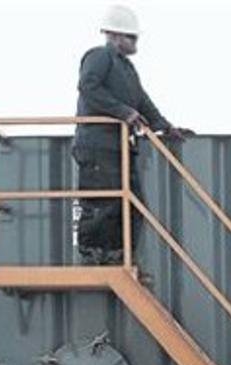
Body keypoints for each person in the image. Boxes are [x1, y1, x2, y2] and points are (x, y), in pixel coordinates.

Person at [72, 4, 191, 264]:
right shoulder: (99, 56)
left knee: (130, 204)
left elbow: (142, 102)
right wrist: (123, 112)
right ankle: (93, 254)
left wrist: (165, 126)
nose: (136, 41)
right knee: (102, 202)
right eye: (132, 36)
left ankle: (117, 253)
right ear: (115, 35)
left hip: (119, 147)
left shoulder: (127, 70)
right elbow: (88, 86)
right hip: (97, 144)